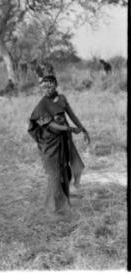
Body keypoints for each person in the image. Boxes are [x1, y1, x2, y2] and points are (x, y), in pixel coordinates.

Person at [28, 75, 90, 215]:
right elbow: (51, 124)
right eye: (44, 87)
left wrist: (83, 128)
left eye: (49, 86)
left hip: (63, 141)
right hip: (50, 143)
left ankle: (63, 204)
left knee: (65, 172)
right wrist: (69, 129)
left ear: (56, 85)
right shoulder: (42, 105)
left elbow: (71, 115)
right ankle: (52, 209)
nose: (47, 89)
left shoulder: (62, 98)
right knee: (55, 174)